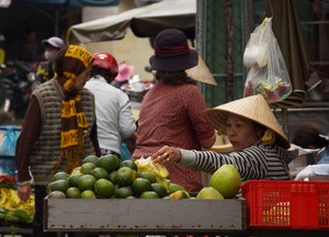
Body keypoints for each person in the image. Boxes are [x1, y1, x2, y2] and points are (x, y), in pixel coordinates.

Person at [15, 44, 100, 237]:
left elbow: (92, 138)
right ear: (72, 71)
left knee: (85, 230)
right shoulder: (42, 96)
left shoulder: (88, 98)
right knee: (47, 229)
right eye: (85, 74)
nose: (88, 79)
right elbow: (26, 140)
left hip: (83, 180)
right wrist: (24, 179)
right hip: (48, 180)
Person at [131, 28, 216, 192]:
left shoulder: (151, 93)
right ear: (185, 63)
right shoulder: (189, 92)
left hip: (140, 172)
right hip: (173, 178)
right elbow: (208, 140)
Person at [152, 94, 295, 181]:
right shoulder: (263, 152)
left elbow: (224, 162)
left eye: (239, 126)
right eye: (228, 125)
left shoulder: (261, 155)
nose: (231, 132)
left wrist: (180, 154)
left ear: (258, 131)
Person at [85, 51, 136, 158]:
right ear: (112, 76)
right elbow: (128, 129)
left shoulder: (79, 89)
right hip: (110, 152)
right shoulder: (119, 95)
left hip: (82, 150)